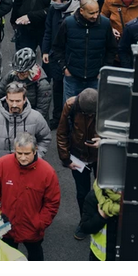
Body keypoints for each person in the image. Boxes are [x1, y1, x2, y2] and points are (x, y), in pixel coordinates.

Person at [0, 132, 60, 261]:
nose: (23, 158)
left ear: (35, 150)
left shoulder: (47, 172)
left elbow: (52, 202)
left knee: (35, 256)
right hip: (6, 227)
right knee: (6, 258)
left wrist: (40, 223)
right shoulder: (2, 165)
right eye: (19, 153)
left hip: (32, 229)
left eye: (27, 154)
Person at [52, 0, 117, 100]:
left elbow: (112, 49)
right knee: (70, 110)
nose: (95, 16)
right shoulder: (68, 23)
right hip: (72, 76)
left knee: (93, 110)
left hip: (95, 77)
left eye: (97, 12)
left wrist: (103, 70)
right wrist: (64, 68)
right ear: (82, 11)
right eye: (91, 13)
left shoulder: (105, 24)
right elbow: (57, 47)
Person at [56, 88, 100, 239]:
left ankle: (101, 220)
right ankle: (85, 222)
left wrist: (104, 142)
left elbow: (117, 132)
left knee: (103, 190)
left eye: (91, 114)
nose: (88, 116)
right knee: (82, 193)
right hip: (78, 156)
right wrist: (66, 159)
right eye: (86, 114)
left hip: (100, 156)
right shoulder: (71, 105)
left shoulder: (106, 106)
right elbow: (62, 132)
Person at [0, 48, 52, 121]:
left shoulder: (42, 85)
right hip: (14, 119)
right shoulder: (12, 75)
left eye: (23, 72)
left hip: (33, 124)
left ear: (31, 69)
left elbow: (41, 112)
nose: (19, 75)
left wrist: (23, 124)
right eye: (18, 72)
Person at [0, 82, 52, 165]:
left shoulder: (36, 117)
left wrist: (36, 158)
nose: (14, 104)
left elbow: (45, 139)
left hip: (28, 168)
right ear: (6, 99)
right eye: (11, 100)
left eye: (18, 101)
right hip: (3, 167)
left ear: (24, 100)